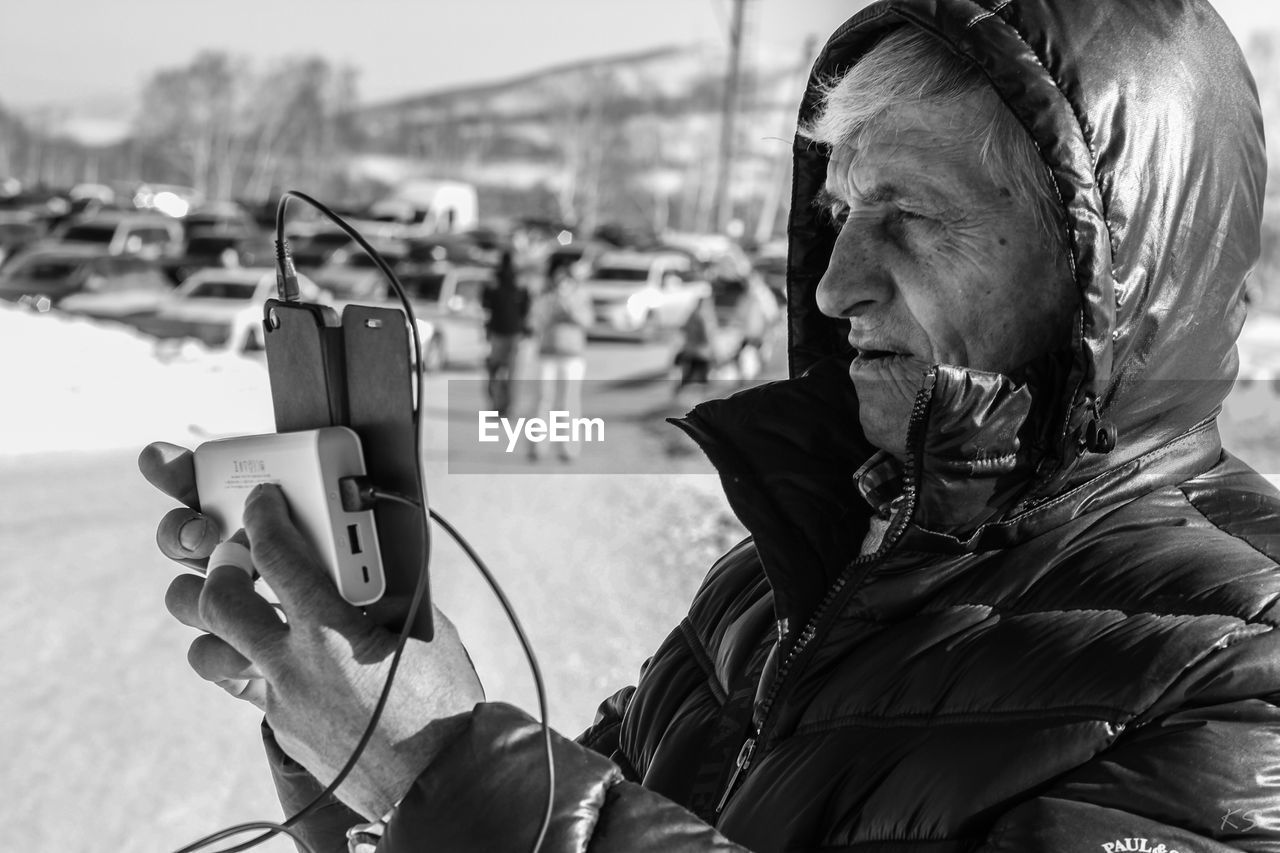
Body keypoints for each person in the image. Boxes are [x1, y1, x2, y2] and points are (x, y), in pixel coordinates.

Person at [139, 2, 1280, 851]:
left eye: (913, 215)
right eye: (838, 214)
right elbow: (600, 799)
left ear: (1107, 272)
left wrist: (442, 765)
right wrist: (352, 745)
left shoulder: (1237, 665)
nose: (833, 286)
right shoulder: (792, 565)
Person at [526, 266, 594, 462]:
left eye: (565, 280)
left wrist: (569, 306)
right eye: (558, 280)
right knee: (542, 399)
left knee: (569, 402)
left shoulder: (581, 297)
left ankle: (569, 448)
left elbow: (587, 321)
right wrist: (550, 309)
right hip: (547, 354)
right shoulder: (545, 298)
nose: (561, 284)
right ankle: (537, 446)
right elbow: (533, 322)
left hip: (572, 356)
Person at [480, 249, 532, 416]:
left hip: (501, 333)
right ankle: (505, 406)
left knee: (497, 371)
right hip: (510, 333)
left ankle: (499, 404)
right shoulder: (517, 284)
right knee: (509, 373)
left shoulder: (495, 283)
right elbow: (525, 309)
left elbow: (486, 305)